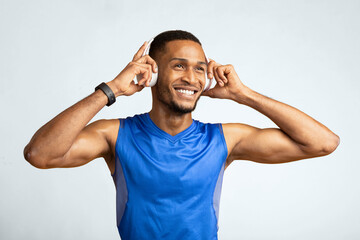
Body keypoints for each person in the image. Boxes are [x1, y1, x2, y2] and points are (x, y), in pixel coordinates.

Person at [24, 30, 340, 239]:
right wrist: (112, 90)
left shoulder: (225, 140)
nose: (191, 77)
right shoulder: (115, 135)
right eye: (178, 66)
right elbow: (40, 154)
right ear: (153, 72)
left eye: (200, 68)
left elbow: (323, 143)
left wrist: (244, 95)